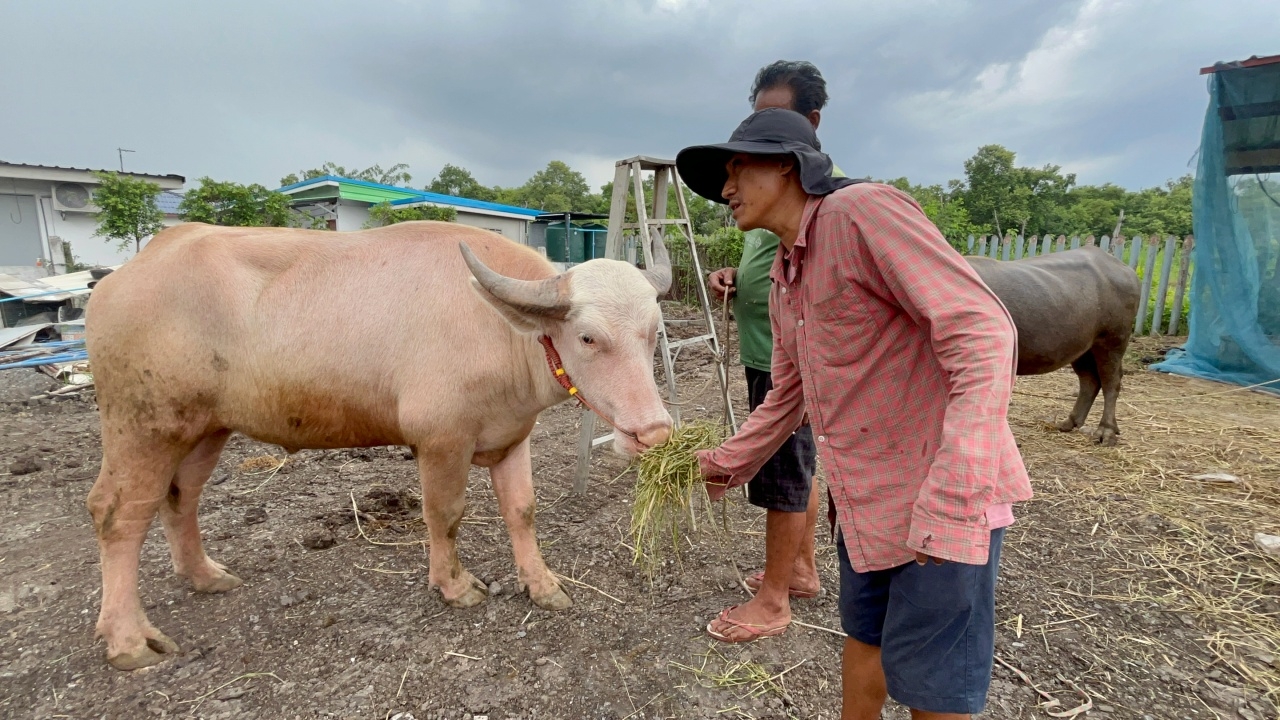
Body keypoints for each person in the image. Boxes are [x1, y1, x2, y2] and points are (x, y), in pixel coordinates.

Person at [675, 108, 1033, 719]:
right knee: (865, 640)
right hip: (866, 504)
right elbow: (788, 394)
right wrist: (721, 462)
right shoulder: (788, 271)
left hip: (937, 501)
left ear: (789, 168)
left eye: (739, 169)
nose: (727, 189)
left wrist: (955, 487)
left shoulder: (862, 212)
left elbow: (979, 329)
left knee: (932, 686)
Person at [703, 60, 846, 644]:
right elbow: (781, 263)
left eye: (773, 120)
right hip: (771, 355)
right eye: (755, 117)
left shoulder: (846, 209)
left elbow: (973, 323)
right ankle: (803, 570)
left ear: (807, 127)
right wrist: (739, 274)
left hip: (795, 364)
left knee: (786, 475)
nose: (756, 131)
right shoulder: (770, 203)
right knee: (794, 466)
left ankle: (775, 597)